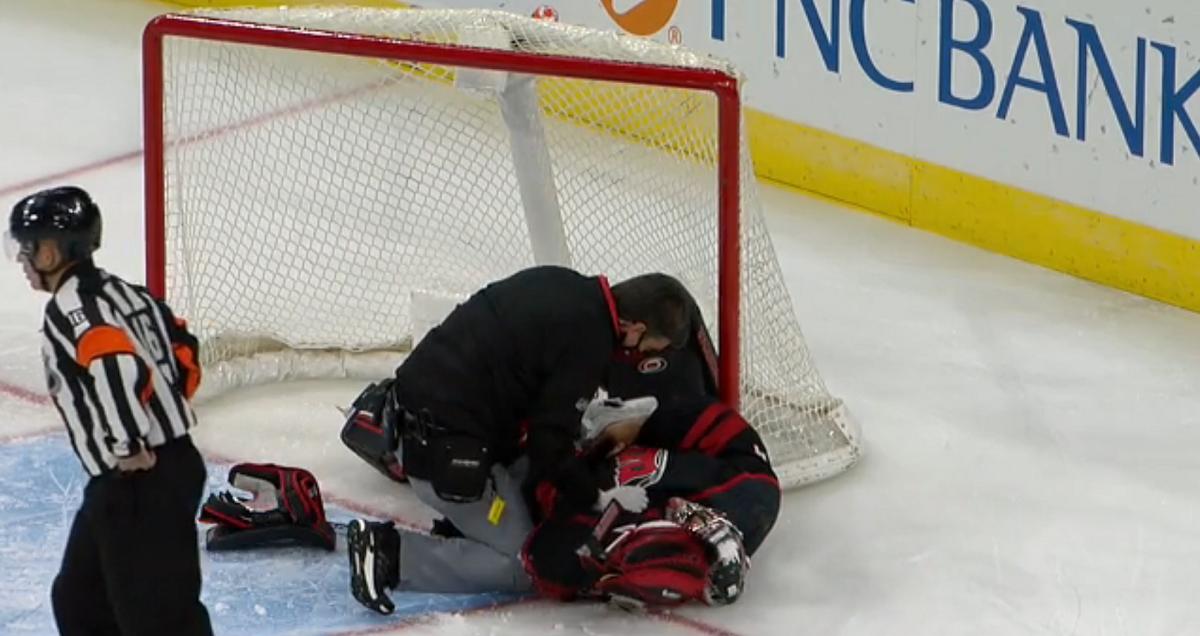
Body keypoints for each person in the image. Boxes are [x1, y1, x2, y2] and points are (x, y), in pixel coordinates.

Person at [344, 266, 695, 614]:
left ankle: (464, 527)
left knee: (528, 486)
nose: (643, 356)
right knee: (526, 562)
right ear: (636, 329)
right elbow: (548, 444)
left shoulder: (567, 285)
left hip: (416, 411)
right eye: (651, 348)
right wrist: (597, 497)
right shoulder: (589, 340)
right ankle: (389, 555)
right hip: (441, 450)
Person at [5, 186, 213, 635]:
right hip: (159, 469)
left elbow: (116, 365)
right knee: (80, 598)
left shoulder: (70, 307)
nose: (22, 257)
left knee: (158, 621)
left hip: (139, 480)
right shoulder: (128, 293)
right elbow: (184, 349)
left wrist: (130, 442)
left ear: (53, 251)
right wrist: (166, 415)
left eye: (29, 246)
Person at [521, 395, 782, 609]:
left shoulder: (661, 423)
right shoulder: (570, 477)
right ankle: (699, 555)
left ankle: (695, 522)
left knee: (628, 486)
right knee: (564, 555)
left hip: (738, 487)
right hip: (739, 516)